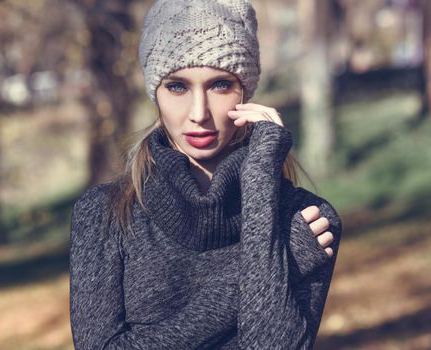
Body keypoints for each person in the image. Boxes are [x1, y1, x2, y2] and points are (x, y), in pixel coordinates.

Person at [69, 0, 342, 349]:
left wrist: (260, 180)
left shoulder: (306, 221)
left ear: (245, 91)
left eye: (220, 85)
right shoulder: (103, 214)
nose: (199, 113)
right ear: (156, 93)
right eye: (178, 87)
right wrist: (284, 259)